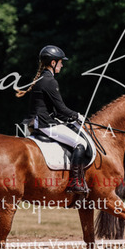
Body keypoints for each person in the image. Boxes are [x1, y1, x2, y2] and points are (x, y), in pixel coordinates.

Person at [17, 45, 88, 193]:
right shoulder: (49, 81)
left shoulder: (43, 79)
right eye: (60, 62)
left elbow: (55, 110)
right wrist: (78, 116)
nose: (62, 65)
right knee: (80, 143)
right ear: (53, 62)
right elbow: (61, 108)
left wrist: (70, 118)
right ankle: (75, 182)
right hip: (44, 124)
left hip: (40, 121)